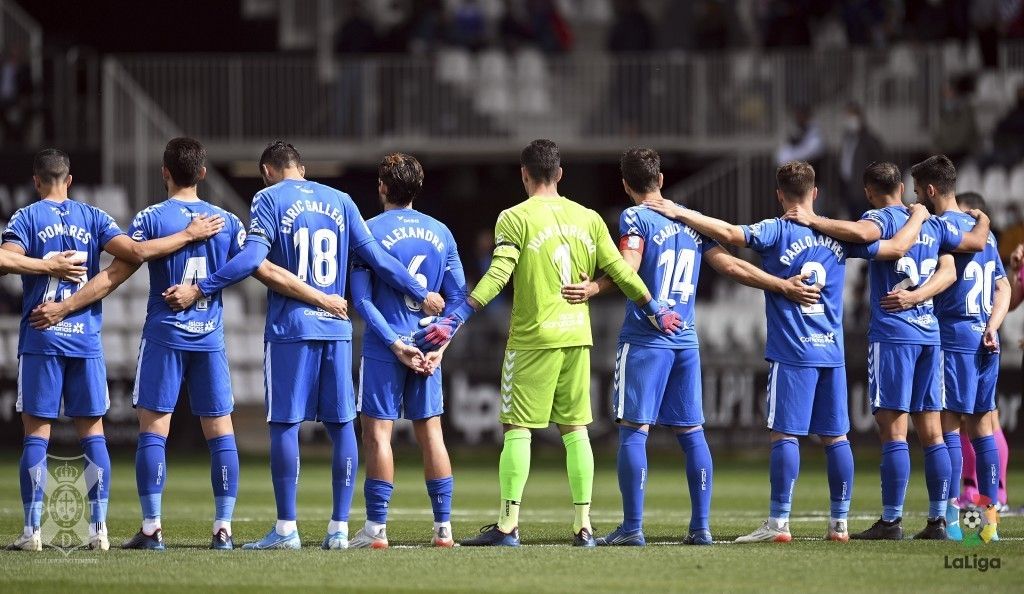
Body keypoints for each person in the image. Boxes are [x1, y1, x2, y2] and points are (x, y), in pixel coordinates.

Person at [27, 138, 348, 551]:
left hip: (164, 337)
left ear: (164, 173)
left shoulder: (151, 218)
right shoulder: (227, 221)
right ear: (202, 173)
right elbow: (264, 269)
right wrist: (321, 297)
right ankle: (223, 529)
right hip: (210, 339)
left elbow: (116, 273)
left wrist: (67, 306)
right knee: (221, 434)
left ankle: (152, 528)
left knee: (153, 433)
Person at [162, 141, 444, 550]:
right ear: (303, 168)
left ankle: (286, 529)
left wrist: (200, 288)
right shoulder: (342, 200)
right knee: (342, 426)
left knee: (284, 425)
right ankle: (339, 531)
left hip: (291, 329)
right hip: (337, 327)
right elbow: (380, 260)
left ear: (267, 170)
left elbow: (250, 260)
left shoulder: (267, 198)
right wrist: (422, 292)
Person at [415, 139, 681, 547]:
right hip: (577, 337)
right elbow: (622, 273)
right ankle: (584, 527)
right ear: (559, 174)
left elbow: (498, 275)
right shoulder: (588, 218)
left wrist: (458, 316)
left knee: (517, 428)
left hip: (533, 338)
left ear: (525, 175)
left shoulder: (514, 217)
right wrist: (655, 307)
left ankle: (507, 526)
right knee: (576, 430)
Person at [648, 161, 926, 543]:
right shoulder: (839, 234)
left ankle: (779, 523)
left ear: (780, 194)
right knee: (837, 438)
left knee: (785, 436)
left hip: (792, 350)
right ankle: (839, 524)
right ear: (815, 193)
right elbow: (897, 246)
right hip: (831, 352)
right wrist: (920, 213)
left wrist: (680, 211)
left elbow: (730, 233)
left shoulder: (775, 229)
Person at [560, 149, 822, 546]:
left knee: (634, 431)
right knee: (692, 434)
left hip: (647, 339)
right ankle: (701, 528)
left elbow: (629, 266)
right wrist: (781, 284)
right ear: (661, 180)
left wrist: (595, 285)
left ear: (627, 185)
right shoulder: (686, 218)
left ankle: (632, 528)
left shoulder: (635, 217)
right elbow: (732, 266)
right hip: (685, 341)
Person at [3, 148, 223, 552]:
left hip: (42, 337)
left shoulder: (26, 217)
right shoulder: (94, 217)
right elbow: (136, 254)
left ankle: (33, 532)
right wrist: (190, 235)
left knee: (37, 435)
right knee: (93, 434)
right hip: (85, 340)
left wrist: (43, 266)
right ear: (68, 180)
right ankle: (98, 530)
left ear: (37, 182)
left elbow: (3, 259)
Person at [784, 158, 991, 540]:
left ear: (869, 191)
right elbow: (952, 266)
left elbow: (861, 233)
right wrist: (919, 297)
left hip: (894, 336)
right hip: (930, 335)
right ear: (900, 186)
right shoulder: (930, 222)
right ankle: (938, 521)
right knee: (933, 434)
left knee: (894, 433)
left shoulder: (881, 218)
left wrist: (813, 220)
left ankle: (892, 520)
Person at [348, 153, 466, 549]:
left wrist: (397, 345)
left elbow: (362, 302)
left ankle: (376, 530)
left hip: (387, 346)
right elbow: (458, 300)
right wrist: (441, 345)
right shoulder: (443, 232)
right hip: (429, 345)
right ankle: (443, 529)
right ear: (418, 187)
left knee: (378, 434)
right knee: (431, 434)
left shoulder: (367, 231)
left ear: (382, 186)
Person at [913, 190, 1007, 541]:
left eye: (920, 189)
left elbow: (947, 276)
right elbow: (1004, 287)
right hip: (986, 339)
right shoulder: (988, 235)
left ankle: (951, 522)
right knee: (984, 432)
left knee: (949, 428)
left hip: (953, 339)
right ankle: (991, 525)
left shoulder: (941, 229)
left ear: (931, 190)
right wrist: (992, 327)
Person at [838, 102, 884, 218]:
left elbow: (878, 163)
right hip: (847, 187)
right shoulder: (847, 137)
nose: (848, 120)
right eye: (846, 116)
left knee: (863, 220)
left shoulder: (869, 140)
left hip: (863, 190)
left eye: (851, 116)